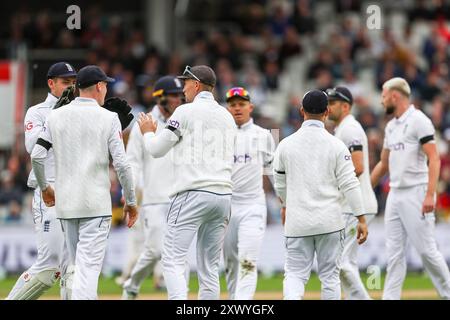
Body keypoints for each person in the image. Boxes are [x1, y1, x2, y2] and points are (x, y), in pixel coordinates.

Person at [30, 65, 138, 300]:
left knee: (75, 267)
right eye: (105, 85)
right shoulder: (109, 118)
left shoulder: (55, 115)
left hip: (66, 205)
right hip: (95, 206)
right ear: (99, 86)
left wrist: (46, 188)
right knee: (87, 271)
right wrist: (131, 200)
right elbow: (122, 164)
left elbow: (37, 155)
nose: (106, 90)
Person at [137, 65, 236, 300]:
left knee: (172, 258)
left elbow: (157, 150)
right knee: (209, 266)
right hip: (223, 195)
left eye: (186, 83)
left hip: (192, 193)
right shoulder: (227, 116)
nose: (183, 89)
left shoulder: (184, 112)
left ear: (197, 85)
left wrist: (148, 132)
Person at [273, 89, 368, 300]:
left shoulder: (285, 145)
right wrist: (361, 218)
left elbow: (279, 183)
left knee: (295, 276)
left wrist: (287, 205)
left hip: (298, 222)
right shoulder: (337, 145)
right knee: (330, 278)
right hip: (330, 222)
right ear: (326, 112)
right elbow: (350, 183)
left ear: (301, 111)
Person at [371, 77, 450, 300]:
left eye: (384, 96)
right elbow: (383, 164)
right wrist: (364, 189)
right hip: (395, 195)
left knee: (427, 252)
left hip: (416, 192)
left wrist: (429, 195)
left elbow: (434, 159)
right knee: (394, 255)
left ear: (395, 96)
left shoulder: (419, 121)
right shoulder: (391, 126)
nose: (381, 101)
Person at [6, 62, 77, 300]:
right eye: (66, 82)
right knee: (49, 269)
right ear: (51, 83)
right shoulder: (37, 112)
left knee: (73, 269)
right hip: (49, 192)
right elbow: (32, 147)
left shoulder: (79, 110)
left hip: (76, 193)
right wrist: (58, 112)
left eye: (74, 82)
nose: (71, 87)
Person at [121, 75, 186, 299]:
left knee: (178, 253)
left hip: (181, 196)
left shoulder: (185, 119)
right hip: (154, 198)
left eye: (180, 95)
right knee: (155, 251)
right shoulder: (144, 123)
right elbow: (133, 162)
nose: (179, 99)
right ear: (160, 98)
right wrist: (128, 191)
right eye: (174, 96)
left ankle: (179, 297)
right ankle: (132, 284)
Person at [223, 87, 275, 299]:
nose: (237, 108)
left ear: (250, 107)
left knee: (247, 261)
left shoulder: (263, 136)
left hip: (253, 206)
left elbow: (273, 171)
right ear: (227, 108)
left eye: (241, 104)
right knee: (230, 263)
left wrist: (285, 202)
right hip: (225, 207)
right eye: (233, 105)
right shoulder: (219, 136)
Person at [327, 86, 378, 300]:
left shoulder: (350, 129)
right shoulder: (343, 129)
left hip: (352, 206)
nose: (328, 107)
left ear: (346, 106)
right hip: (354, 204)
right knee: (349, 264)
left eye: (333, 103)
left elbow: (357, 167)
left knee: (341, 263)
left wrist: (330, 187)